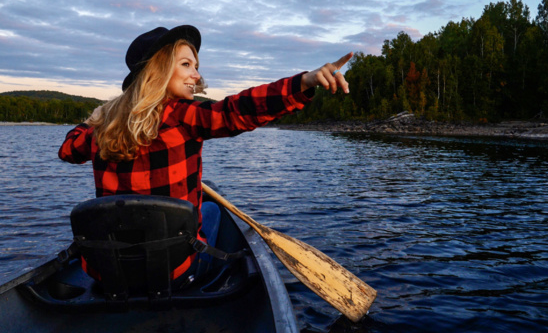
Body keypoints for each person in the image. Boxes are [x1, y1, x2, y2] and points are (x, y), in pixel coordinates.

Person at [58, 25, 352, 284]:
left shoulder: (99, 131)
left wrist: (96, 118)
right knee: (212, 210)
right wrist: (303, 83)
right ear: (159, 71)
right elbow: (237, 110)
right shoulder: (182, 116)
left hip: (108, 272)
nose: (196, 76)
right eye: (187, 64)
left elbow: (68, 149)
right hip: (173, 273)